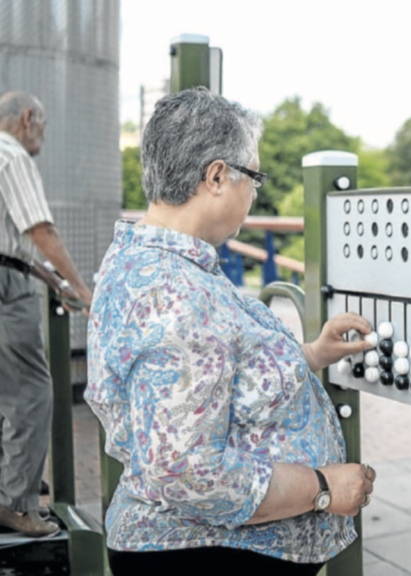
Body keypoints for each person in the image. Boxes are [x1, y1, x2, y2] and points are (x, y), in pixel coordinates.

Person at [86, 87, 376, 575]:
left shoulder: (150, 263)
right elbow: (186, 473)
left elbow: (214, 380)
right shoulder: (175, 293)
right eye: (254, 176)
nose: (255, 191)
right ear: (217, 176)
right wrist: (323, 487)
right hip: (202, 554)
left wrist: (310, 354)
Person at [0, 90, 93, 538]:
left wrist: (52, 280)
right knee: (31, 393)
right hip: (5, 289)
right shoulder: (11, 156)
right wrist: (82, 289)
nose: (43, 134)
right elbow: (39, 229)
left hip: (11, 272)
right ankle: (16, 505)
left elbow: (13, 242)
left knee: (8, 390)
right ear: (28, 117)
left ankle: (10, 486)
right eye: (44, 124)